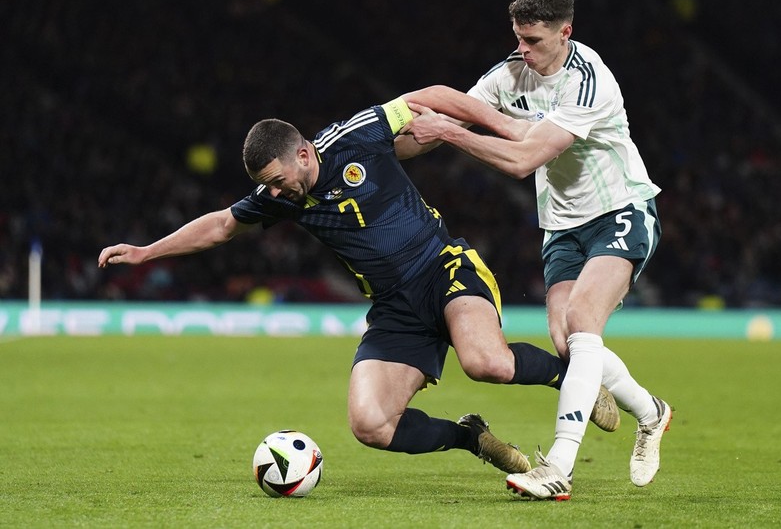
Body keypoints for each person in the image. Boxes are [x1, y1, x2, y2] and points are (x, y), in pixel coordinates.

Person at [97, 88, 620, 478]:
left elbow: (430, 97)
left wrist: (507, 127)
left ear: (303, 154)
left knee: (485, 362)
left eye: (277, 180)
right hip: (393, 307)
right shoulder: (283, 197)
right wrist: (147, 251)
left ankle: (569, 378)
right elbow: (221, 226)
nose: (274, 193)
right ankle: (470, 437)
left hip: (443, 268)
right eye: (266, 187)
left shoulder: (357, 136)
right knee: (370, 425)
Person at [403, 0, 673, 500]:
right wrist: (384, 145)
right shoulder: (510, 72)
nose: (522, 49)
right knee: (569, 344)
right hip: (562, 226)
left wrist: (453, 133)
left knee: (582, 322)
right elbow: (454, 113)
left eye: (533, 40)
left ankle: (559, 467)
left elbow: (526, 157)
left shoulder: (590, 82)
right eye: (518, 37)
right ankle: (652, 412)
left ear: (565, 31)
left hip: (619, 208)